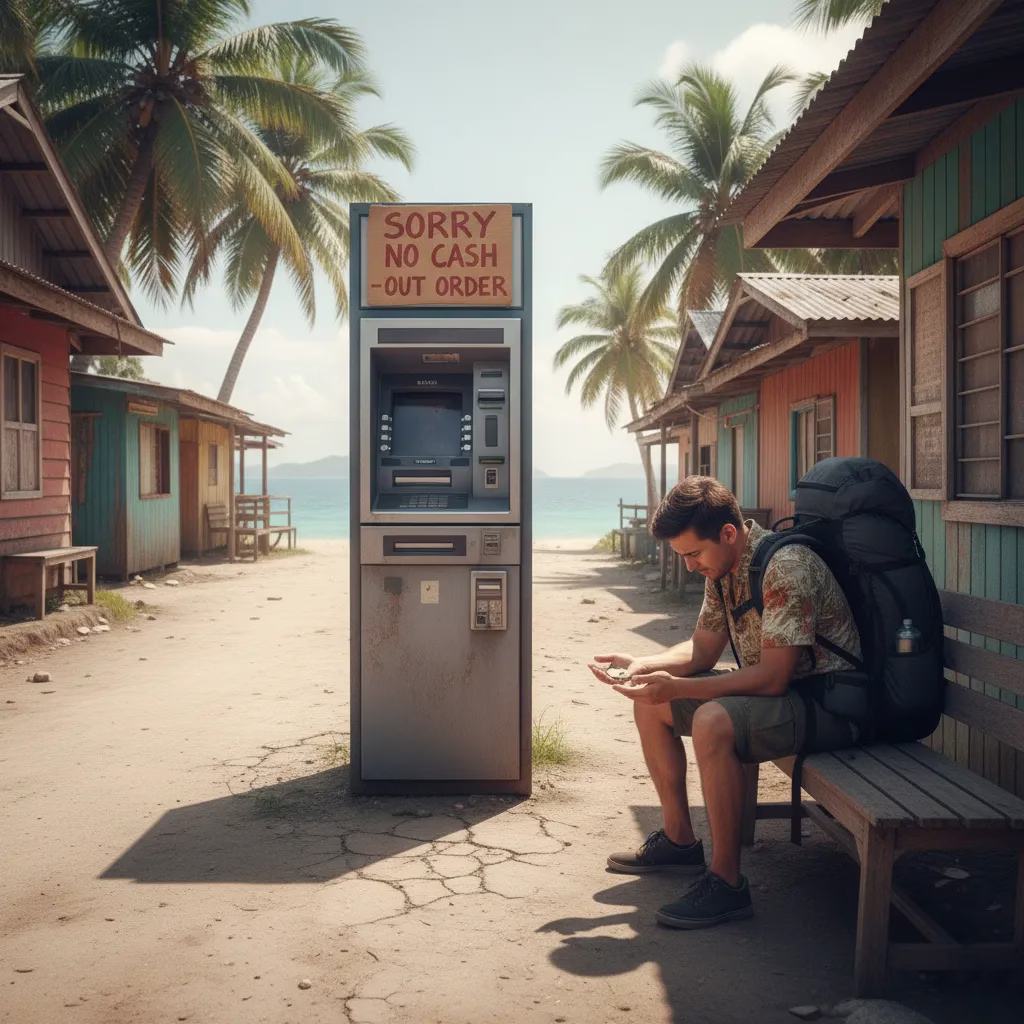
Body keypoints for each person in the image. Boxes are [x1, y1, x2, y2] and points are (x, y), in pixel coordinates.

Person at [588, 476, 862, 930]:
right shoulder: (725, 568)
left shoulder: (786, 566)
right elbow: (702, 651)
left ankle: (728, 884)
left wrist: (677, 687)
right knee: (651, 704)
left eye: (693, 554)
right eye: (683, 557)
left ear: (729, 534)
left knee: (713, 720)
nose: (691, 566)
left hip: (830, 704)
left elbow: (774, 679)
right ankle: (679, 843)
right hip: (787, 695)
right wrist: (644, 664)